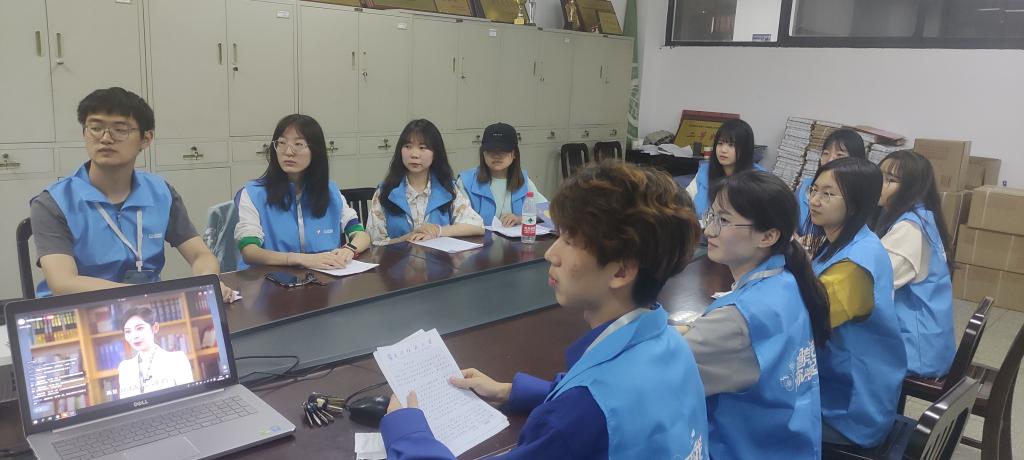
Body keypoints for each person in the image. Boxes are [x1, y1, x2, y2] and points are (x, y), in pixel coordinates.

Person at [381, 162, 709, 459]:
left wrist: (407, 433)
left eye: (570, 240)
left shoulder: (575, 417)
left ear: (621, 271)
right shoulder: (673, 346)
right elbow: (610, 394)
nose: (551, 253)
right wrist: (510, 391)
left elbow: (586, 411)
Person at [30, 87, 233, 300]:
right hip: (78, 310)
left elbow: (200, 255)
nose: (105, 138)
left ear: (146, 139)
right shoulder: (53, 202)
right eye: (95, 128)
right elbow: (63, 283)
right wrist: (144, 296)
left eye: (120, 129)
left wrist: (208, 282)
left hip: (146, 308)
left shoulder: (160, 192)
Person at [681, 170, 830, 459]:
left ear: (768, 236)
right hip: (791, 444)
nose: (709, 231)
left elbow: (660, 377)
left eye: (724, 221)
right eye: (712, 216)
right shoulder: (787, 280)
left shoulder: (737, 319)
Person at [805, 157, 907, 448]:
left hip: (848, 410)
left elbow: (803, 323)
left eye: (828, 194)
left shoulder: (853, 265)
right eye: (814, 190)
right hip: (848, 387)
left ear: (856, 202)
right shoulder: (852, 241)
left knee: (740, 411)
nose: (815, 200)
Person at [234, 114, 370, 270]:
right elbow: (250, 251)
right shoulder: (253, 193)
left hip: (323, 278)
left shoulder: (330, 191)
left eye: (298, 144)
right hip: (270, 279)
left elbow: (360, 234)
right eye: (282, 143)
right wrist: (299, 259)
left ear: (316, 150)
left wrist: (349, 249)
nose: (288, 152)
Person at [872, 150, 956, 377]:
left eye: (890, 180)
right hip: (930, 340)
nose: (880, 185)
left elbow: (873, 282)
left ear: (913, 188)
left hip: (917, 351)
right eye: (879, 176)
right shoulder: (922, 216)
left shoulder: (909, 229)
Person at [366, 119, 484, 244]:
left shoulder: (447, 189)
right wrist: (407, 238)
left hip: (439, 256)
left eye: (422, 147)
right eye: (408, 146)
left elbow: (477, 226)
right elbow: (374, 242)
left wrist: (438, 231)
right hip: (398, 257)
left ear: (436, 153)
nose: (414, 154)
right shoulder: (386, 192)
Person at [457, 123, 547, 227]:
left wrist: (520, 219)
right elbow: (460, 221)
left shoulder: (523, 180)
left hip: (514, 237)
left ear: (514, 154)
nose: (497, 156)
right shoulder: (466, 182)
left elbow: (548, 213)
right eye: (491, 150)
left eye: (503, 151)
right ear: (483, 153)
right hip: (479, 237)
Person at [686, 118, 765, 219]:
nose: (723, 150)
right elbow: (684, 204)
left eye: (731, 145)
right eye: (720, 143)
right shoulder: (705, 172)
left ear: (745, 149)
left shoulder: (759, 179)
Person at [796, 128, 867, 235]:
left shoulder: (856, 195)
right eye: (826, 153)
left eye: (840, 155)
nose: (829, 160)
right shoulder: (806, 185)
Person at [117, 306, 194, 398]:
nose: (134, 336)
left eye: (139, 328)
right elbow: (126, 403)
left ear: (155, 328)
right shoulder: (125, 368)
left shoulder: (177, 359)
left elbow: (188, 397)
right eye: (128, 331)